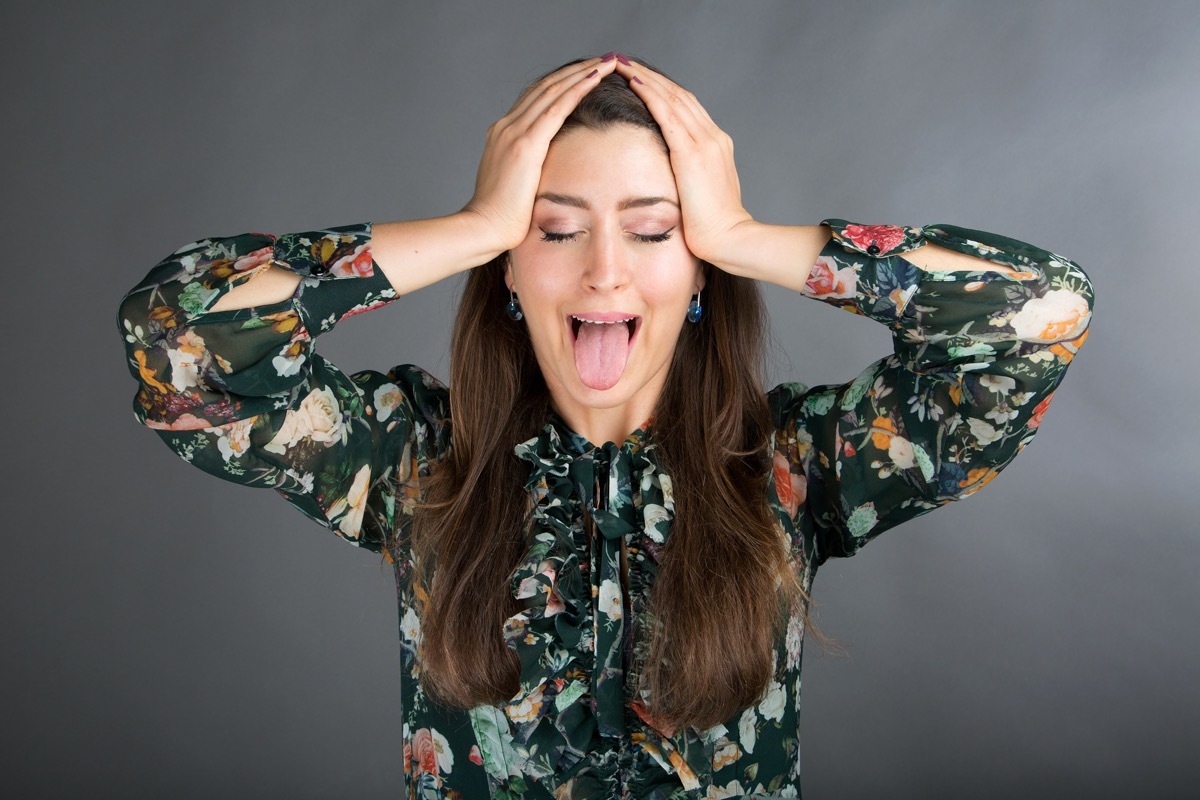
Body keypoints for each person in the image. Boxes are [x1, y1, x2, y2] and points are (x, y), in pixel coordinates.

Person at [117, 54, 1094, 799]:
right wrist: (470, 225)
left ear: (698, 264)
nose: (605, 272)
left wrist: (748, 238)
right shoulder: (412, 457)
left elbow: (1041, 312)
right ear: (508, 261)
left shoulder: (795, 465)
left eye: (653, 227)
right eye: (554, 226)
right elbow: (181, 337)